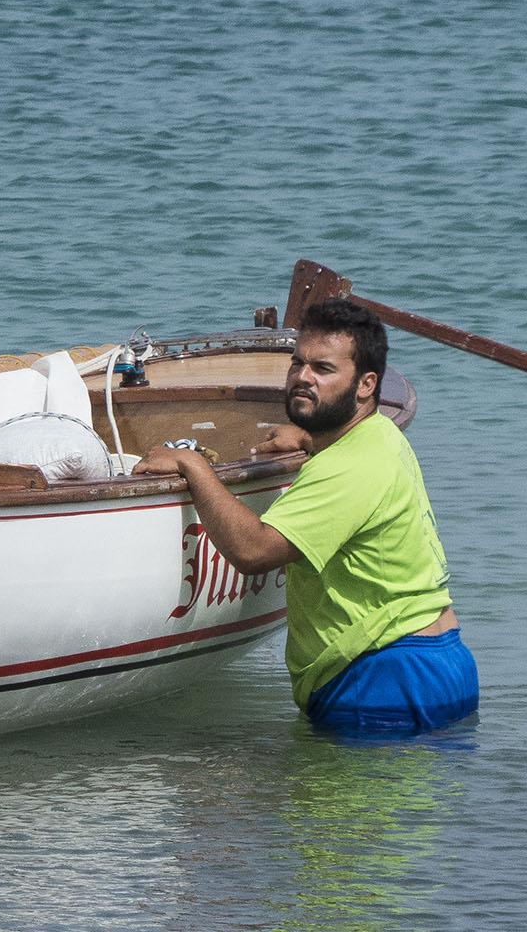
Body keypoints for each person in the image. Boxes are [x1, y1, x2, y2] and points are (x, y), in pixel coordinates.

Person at [136, 298, 478, 733]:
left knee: (325, 803)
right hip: (438, 662)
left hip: (384, 680)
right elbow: (351, 469)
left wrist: (193, 467)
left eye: (323, 369)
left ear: (366, 384)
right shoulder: (379, 437)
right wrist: (312, 439)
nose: (302, 377)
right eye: (297, 363)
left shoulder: (347, 467)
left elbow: (254, 549)